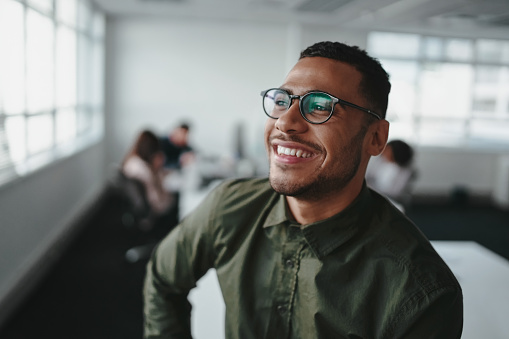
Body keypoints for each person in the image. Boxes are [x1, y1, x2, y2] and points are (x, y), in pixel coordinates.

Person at [143, 41, 463, 338]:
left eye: (321, 106)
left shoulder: (420, 291)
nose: (285, 121)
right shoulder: (229, 205)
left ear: (376, 138)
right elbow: (163, 278)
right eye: (282, 100)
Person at [122, 129, 173, 220]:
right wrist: (157, 170)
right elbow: (156, 200)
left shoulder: (132, 160)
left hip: (138, 204)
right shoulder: (144, 170)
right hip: (152, 209)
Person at [366, 139, 416, 208]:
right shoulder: (380, 161)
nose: (383, 152)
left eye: (387, 150)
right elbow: (369, 176)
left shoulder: (405, 171)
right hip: (373, 194)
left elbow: (395, 192)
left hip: (390, 200)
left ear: (396, 152)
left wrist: (371, 187)